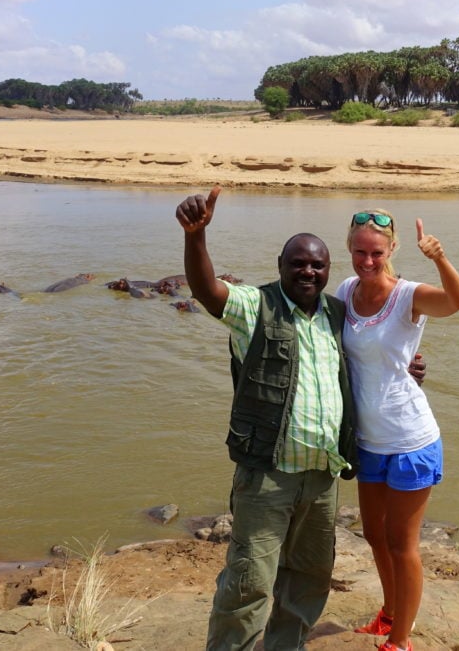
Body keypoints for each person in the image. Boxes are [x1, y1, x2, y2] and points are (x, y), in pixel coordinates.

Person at [175, 187, 424, 651]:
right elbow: (209, 292)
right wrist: (196, 237)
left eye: (318, 265)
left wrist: (408, 367)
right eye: (299, 263)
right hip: (268, 476)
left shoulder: (337, 312)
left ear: (330, 272)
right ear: (281, 266)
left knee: (309, 581)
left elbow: (374, 351)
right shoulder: (255, 307)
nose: (308, 271)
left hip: (322, 477)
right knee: (249, 583)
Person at [336, 209, 459, 651]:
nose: (367, 261)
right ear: (349, 248)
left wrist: (440, 259)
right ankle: (388, 614)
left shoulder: (409, 296)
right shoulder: (344, 291)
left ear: (391, 250)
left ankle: (400, 641)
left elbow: (457, 302)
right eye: (360, 251)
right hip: (368, 440)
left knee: (402, 545)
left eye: (376, 252)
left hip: (410, 439)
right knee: (374, 535)